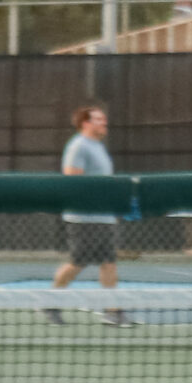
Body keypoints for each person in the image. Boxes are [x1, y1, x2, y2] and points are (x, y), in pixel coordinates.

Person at [49, 104, 135, 326]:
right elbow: (73, 180)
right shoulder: (78, 146)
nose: (104, 123)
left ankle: (113, 311)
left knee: (109, 262)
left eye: (104, 120)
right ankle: (50, 301)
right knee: (78, 262)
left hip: (103, 217)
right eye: (99, 120)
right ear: (85, 123)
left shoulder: (98, 146)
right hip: (83, 217)